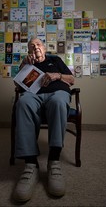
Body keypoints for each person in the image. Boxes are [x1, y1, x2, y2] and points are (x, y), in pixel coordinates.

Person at [12, 37, 75, 202]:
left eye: (38, 44)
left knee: (59, 101)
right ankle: (30, 164)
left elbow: (71, 79)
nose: (35, 47)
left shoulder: (55, 60)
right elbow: (19, 86)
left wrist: (57, 75)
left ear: (45, 48)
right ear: (28, 50)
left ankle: (54, 161)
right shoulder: (27, 63)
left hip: (57, 93)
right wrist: (24, 67)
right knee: (23, 101)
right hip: (34, 96)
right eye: (31, 45)